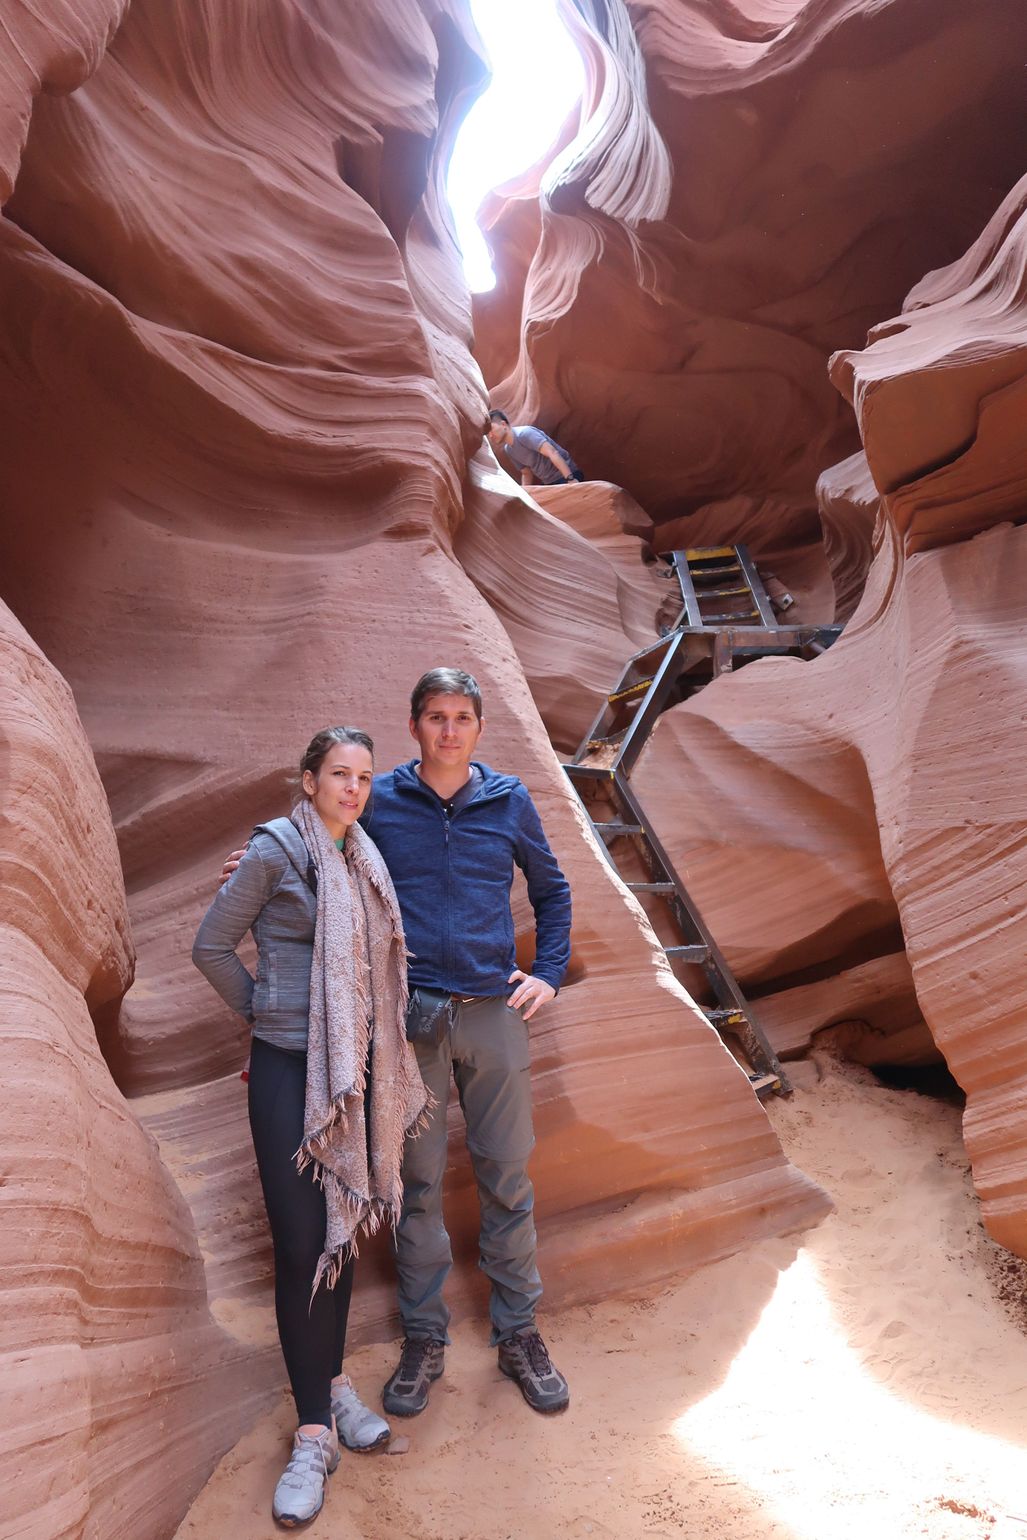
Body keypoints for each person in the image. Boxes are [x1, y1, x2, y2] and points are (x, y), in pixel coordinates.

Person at [221, 670, 574, 1419]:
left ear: (478, 728)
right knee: (412, 1190)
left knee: (506, 1178)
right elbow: (322, 842)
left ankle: (518, 1334)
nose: (449, 730)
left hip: (492, 1013)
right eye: (435, 718)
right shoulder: (380, 798)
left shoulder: (507, 799)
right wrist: (256, 867)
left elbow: (552, 890)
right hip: (407, 1022)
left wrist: (546, 973)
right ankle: (423, 1340)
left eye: (462, 718)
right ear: (414, 726)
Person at [194, 727, 429, 1528]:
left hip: (351, 1077)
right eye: (339, 774)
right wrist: (266, 1013)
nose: (354, 788)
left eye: (363, 776)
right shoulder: (272, 852)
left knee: (342, 1228)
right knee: (300, 1246)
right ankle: (311, 1436)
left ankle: (330, 1386)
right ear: (307, 781)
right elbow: (212, 946)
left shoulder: (364, 858)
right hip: (291, 1073)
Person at [487, 408, 584, 487]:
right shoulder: (509, 450)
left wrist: (570, 480)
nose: (490, 435)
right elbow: (526, 472)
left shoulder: (525, 434)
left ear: (503, 424)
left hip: (566, 475)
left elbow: (552, 452)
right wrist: (526, 494)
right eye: (488, 433)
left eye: (492, 429)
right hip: (549, 483)